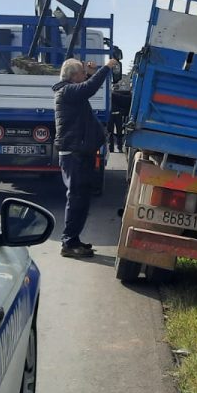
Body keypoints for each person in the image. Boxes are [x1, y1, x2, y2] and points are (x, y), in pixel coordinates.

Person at [53, 56, 119, 258]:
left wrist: (90, 72)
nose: (84, 75)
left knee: (81, 198)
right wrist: (107, 68)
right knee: (76, 198)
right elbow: (89, 87)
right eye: (81, 73)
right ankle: (68, 243)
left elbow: (86, 85)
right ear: (73, 76)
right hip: (75, 154)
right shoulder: (67, 91)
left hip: (79, 153)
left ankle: (73, 239)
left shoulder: (72, 91)